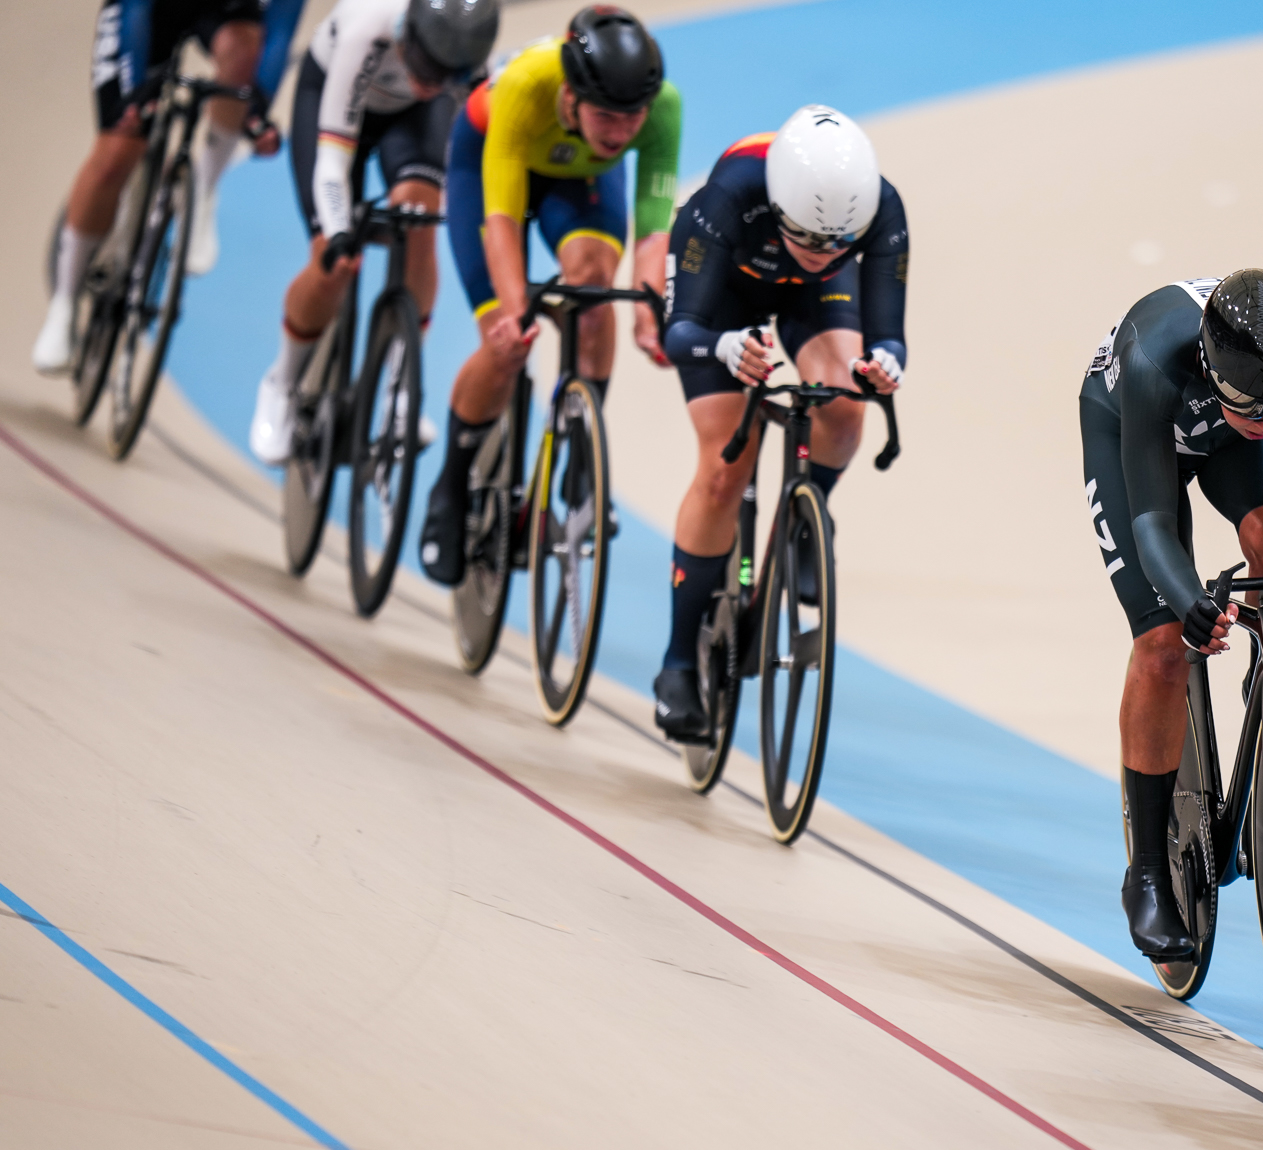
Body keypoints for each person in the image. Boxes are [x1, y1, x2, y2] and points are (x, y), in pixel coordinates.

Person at [1081, 271, 1263, 961]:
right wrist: (1188, 605)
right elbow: (1153, 526)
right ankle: (1147, 870)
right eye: (1259, 411)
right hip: (1132, 427)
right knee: (1161, 648)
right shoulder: (1158, 359)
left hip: (1224, 429)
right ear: (1213, 370)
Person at [651, 104, 907, 741]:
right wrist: (724, 347)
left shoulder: (878, 210)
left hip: (806, 301)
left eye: (838, 244)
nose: (825, 253)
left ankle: (804, 516)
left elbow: (889, 337)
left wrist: (885, 365)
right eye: (811, 239)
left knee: (844, 405)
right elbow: (679, 332)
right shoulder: (728, 196)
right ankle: (679, 660)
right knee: (723, 468)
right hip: (724, 300)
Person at [418, 4, 680, 583]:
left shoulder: (662, 109)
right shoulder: (525, 87)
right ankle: (451, 486)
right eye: (608, 116)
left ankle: (581, 457)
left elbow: (653, 228)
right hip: (488, 163)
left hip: (579, 173)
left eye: (632, 118)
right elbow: (503, 218)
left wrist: (647, 315)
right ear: (572, 95)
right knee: (505, 339)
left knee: (593, 291)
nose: (621, 131)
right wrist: (514, 312)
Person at [247, 0, 500, 463]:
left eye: (443, 75)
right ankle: (281, 382)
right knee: (333, 262)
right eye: (424, 67)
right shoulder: (370, 26)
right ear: (407, 34)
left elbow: (480, 158)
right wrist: (340, 231)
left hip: (408, 118)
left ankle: (400, 394)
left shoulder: (464, 56)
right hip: (335, 101)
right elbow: (331, 162)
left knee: (421, 219)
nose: (429, 83)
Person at [35, 0, 302, 374]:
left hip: (224, 14)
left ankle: (205, 189)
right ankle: (62, 307)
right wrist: (134, 96)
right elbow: (135, 9)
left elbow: (280, 31)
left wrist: (257, 110)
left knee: (245, 51)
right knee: (116, 153)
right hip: (145, 11)